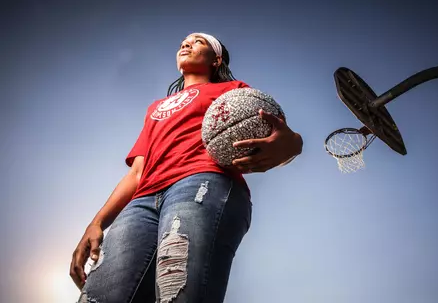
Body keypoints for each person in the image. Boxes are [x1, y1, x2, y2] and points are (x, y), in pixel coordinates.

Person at [70, 32, 303, 303]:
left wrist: (293, 145)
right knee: (99, 297)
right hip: (142, 201)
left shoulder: (234, 90)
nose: (186, 43)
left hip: (203, 182)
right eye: (184, 41)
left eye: (198, 41)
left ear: (216, 60)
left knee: (176, 293)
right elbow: (136, 173)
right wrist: (96, 223)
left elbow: (283, 136)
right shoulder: (155, 108)